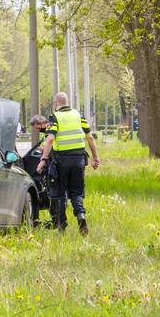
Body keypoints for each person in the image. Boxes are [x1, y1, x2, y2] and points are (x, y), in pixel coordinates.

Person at [35, 92, 100, 234]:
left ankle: (61, 226)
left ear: (55, 103)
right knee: (76, 192)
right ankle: (81, 216)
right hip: (78, 160)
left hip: (60, 162)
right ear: (68, 101)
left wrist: (43, 160)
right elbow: (90, 138)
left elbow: (50, 140)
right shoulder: (79, 115)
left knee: (59, 193)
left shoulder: (55, 117)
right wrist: (95, 157)